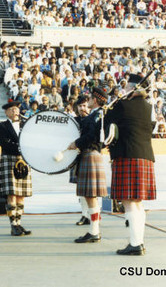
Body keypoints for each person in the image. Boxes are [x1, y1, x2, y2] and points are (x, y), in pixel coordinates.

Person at [105, 74, 156, 255]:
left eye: (125, 87)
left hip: (127, 155)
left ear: (133, 89)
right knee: (138, 203)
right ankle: (138, 242)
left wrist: (110, 106)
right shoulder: (149, 107)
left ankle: (135, 244)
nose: (122, 90)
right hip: (145, 155)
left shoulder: (120, 106)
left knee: (129, 202)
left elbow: (106, 129)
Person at [68, 88, 108, 243]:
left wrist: (76, 143)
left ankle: (94, 231)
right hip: (93, 154)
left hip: (90, 154)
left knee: (90, 196)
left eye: (90, 98)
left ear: (95, 100)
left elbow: (91, 135)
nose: (88, 100)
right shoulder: (99, 114)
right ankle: (94, 229)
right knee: (91, 196)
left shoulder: (97, 115)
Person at [0, 100, 33, 236]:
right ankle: (13, 225)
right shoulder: (1, 126)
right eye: (11, 109)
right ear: (6, 112)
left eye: (16, 109)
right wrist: (21, 148)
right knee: (12, 194)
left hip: (24, 161)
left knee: (21, 195)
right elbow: (4, 143)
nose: (15, 111)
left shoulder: (27, 125)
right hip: (9, 159)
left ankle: (19, 223)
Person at [69, 96, 91, 226]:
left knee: (91, 189)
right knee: (80, 188)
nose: (82, 108)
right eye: (80, 106)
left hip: (89, 155)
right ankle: (84, 215)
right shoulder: (73, 121)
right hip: (76, 156)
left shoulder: (93, 120)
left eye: (84, 105)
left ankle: (93, 214)